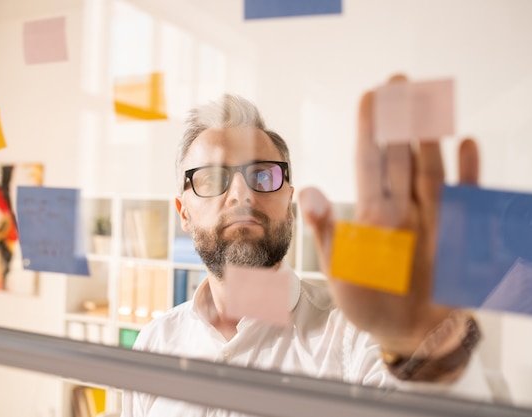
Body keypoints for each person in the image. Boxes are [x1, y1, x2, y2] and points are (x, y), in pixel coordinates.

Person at [122, 76, 491, 417]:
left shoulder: (355, 339)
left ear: (289, 202)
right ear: (183, 213)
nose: (241, 194)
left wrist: (425, 354)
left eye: (262, 175)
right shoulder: (155, 342)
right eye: (212, 177)